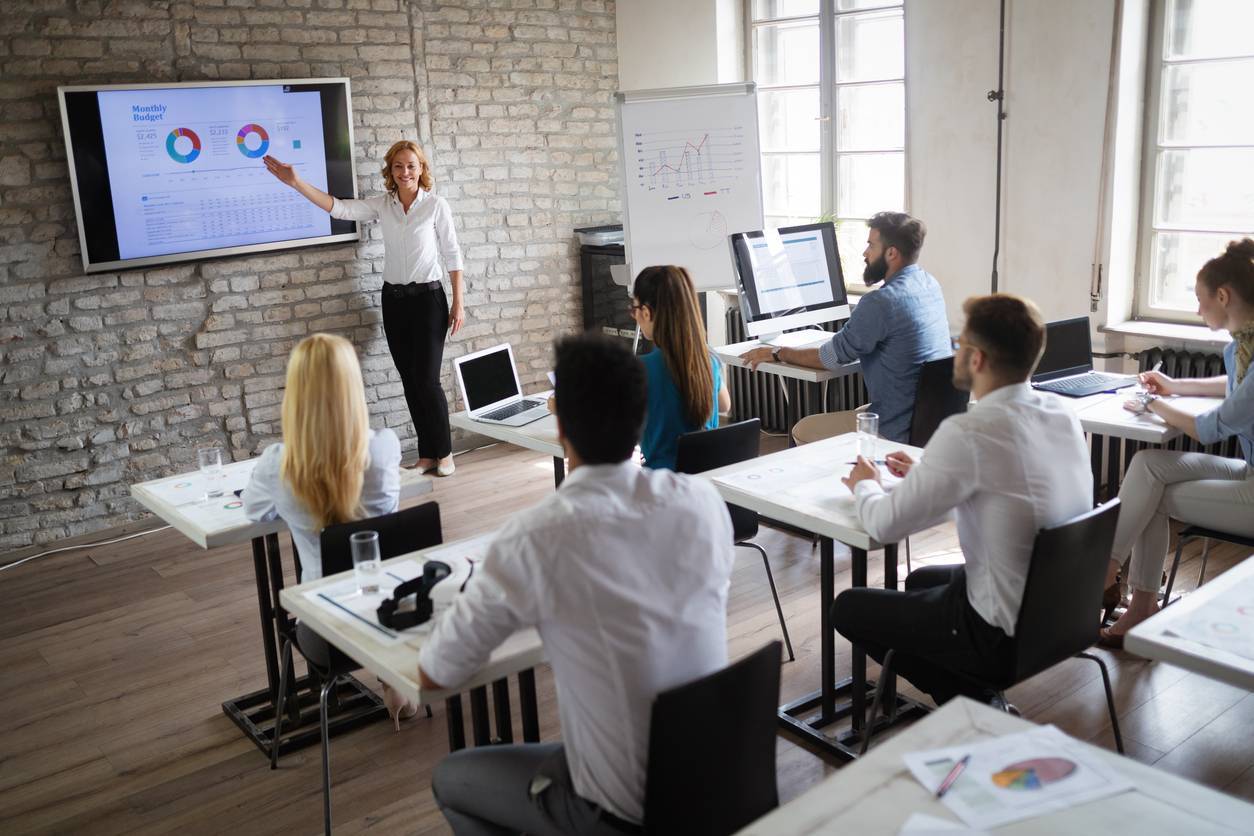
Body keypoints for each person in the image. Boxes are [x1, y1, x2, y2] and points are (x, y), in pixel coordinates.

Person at [420, 334, 735, 834]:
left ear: (560, 426)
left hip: (623, 810)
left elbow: (437, 673)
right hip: (717, 782)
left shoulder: (535, 537)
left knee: (450, 779)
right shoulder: (702, 502)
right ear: (642, 417)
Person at [833, 294, 1091, 705]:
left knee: (848, 607)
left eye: (960, 343)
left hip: (1000, 636)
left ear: (977, 359)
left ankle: (974, 702)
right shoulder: (1062, 414)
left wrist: (865, 483)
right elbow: (1008, 493)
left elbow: (883, 525)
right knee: (919, 581)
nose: (954, 350)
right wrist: (927, 475)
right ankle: (973, 697)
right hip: (1062, 613)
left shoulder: (971, 431)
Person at [240, 334, 414, 727]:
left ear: (295, 394)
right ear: (353, 387)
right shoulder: (385, 450)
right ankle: (390, 672)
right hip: (397, 616)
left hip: (328, 636)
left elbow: (254, 511)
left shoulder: (278, 465)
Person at [264, 140, 464, 477]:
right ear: (391, 171)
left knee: (427, 381)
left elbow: (453, 254)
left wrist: (459, 301)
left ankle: (445, 454)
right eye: (398, 166)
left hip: (429, 301)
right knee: (410, 380)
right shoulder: (383, 205)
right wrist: (296, 182)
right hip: (394, 302)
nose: (405, 172)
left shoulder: (435, 206)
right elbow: (339, 208)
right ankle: (427, 454)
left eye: (411, 166)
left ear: (421, 169)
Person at [1098, 239, 1254, 648]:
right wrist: (1174, 386)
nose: (1199, 309)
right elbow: (1235, 388)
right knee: (1149, 465)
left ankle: (1130, 598)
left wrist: (1154, 403)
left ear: (1224, 295)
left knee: (1152, 494)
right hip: (1249, 471)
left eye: (1201, 300)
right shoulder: (1243, 344)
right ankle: (1112, 570)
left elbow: (1212, 427)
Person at [740, 211, 950, 444]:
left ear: (891, 253)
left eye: (871, 245)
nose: (865, 253)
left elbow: (827, 359)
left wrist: (777, 353)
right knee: (860, 409)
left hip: (893, 428)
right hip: (929, 421)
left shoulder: (880, 302)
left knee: (802, 428)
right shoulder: (929, 285)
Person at [630, 265, 731, 470]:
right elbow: (724, 406)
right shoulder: (709, 358)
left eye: (634, 309)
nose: (635, 316)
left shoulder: (640, 370)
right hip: (706, 483)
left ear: (647, 313)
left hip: (661, 487)